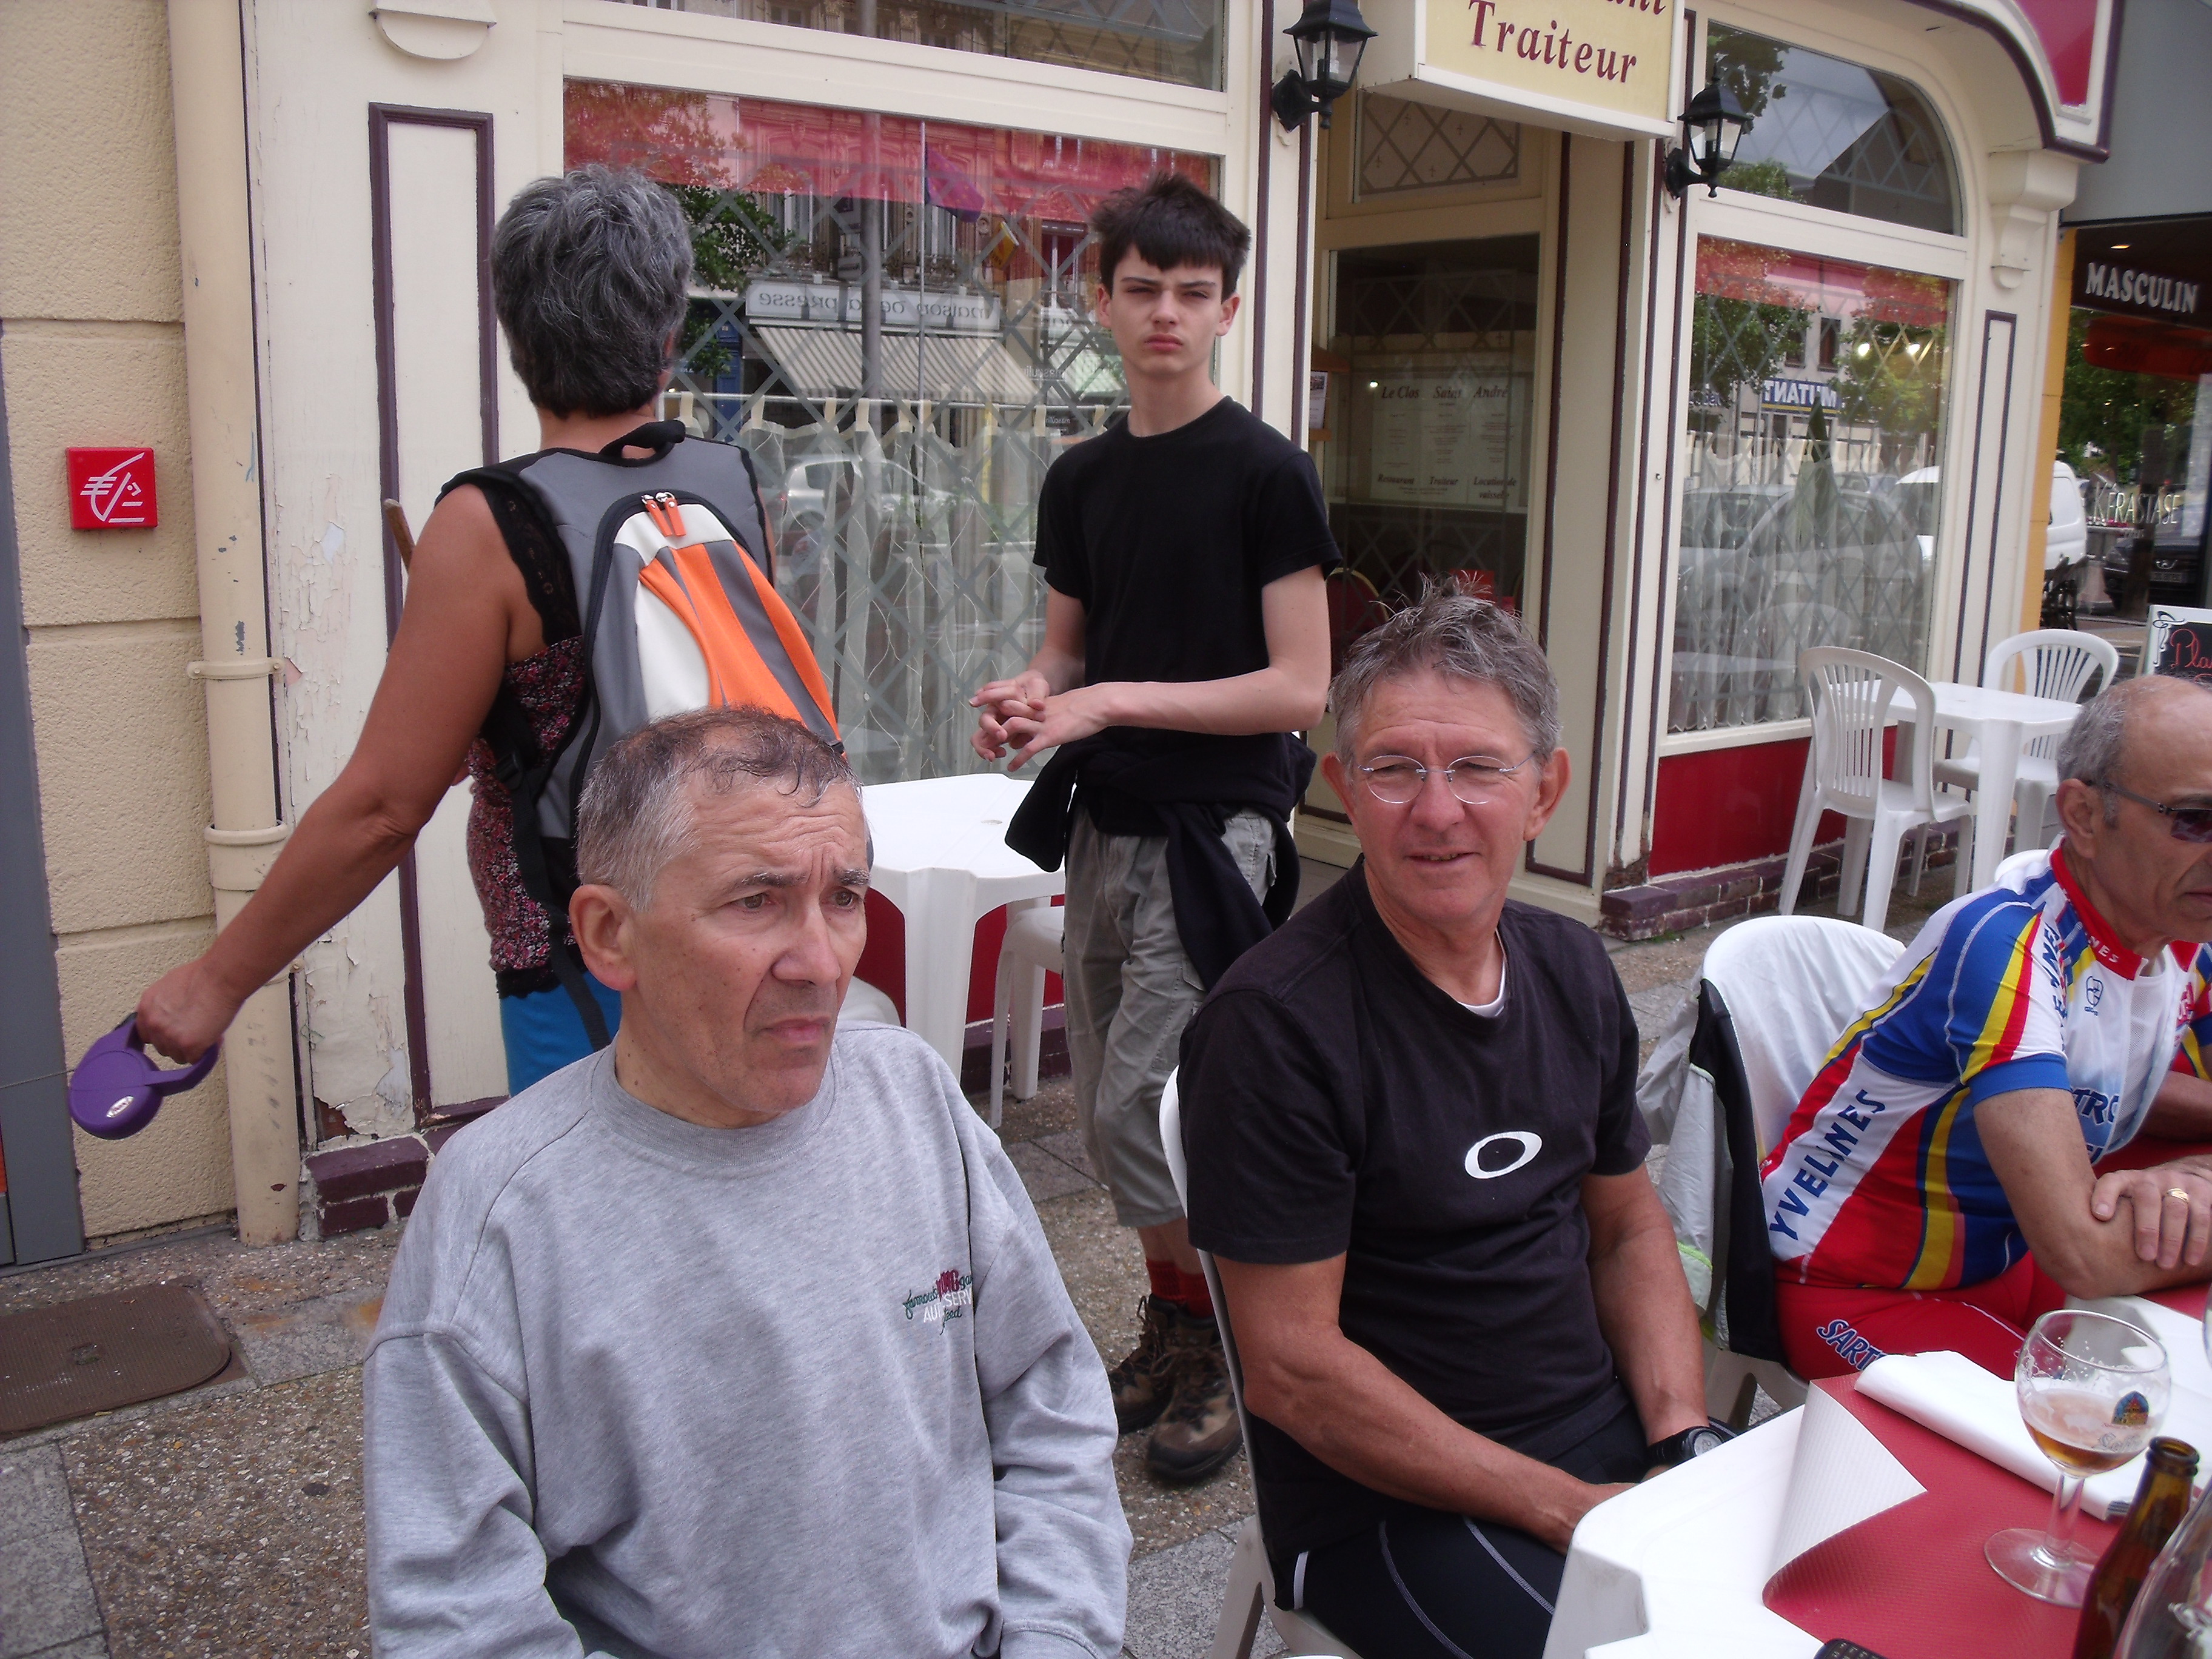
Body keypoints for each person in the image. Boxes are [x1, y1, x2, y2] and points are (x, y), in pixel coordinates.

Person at [363, 706, 1129, 1658]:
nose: (822, 963)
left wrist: (1056, 1637)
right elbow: (457, 1611)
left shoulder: (915, 1098)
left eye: (844, 896)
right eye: (756, 901)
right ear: (610, 934)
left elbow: (1049, 1401)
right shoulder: (501, 1216)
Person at [135, 164, 785, 1094]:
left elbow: (382, 809)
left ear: (517, 337)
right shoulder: (730, 484)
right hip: (737, 924)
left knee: (595, 1184)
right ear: (670, 336)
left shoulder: (492, 525)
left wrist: (215, 984)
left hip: (581, 956)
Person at [1179, 590, 1713, 1659]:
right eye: (1394, 769)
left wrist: (1681, 1440)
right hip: (1384, 1505)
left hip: (1601, 1436)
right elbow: (1292, 1368)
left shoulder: (1572, 968)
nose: (1436, 810)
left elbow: (1625, 1226)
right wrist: (1567, 1510)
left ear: (1543, 792)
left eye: (1477, 767)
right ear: (1343, 789)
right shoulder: (1275, 1025)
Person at [971, 173, 1336, 1483]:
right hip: (1105, 823)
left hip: (1215, 831)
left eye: (1192, 291)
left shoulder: (1267, 473)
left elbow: (1300, 687)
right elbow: (1068, 655)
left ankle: (1235, 1347)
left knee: (1149, 1101)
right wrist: (1034, 697)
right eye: (1142, 289)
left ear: (1228, 307)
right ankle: (1180, 1326)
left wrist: (1110, 700)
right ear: (1103, 300)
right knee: (1112, 1109)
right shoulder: (1081, 478)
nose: (1166, 312)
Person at [1763, 674, 2212, 1381]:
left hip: (2005, 1263)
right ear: (2084, 816)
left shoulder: (2183, 933)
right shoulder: (2005, 946)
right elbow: (2085, 1254)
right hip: (1853, 1288)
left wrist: (2193, 1181)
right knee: (2091, 1427)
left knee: (2174, 1393)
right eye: (2194, 819)